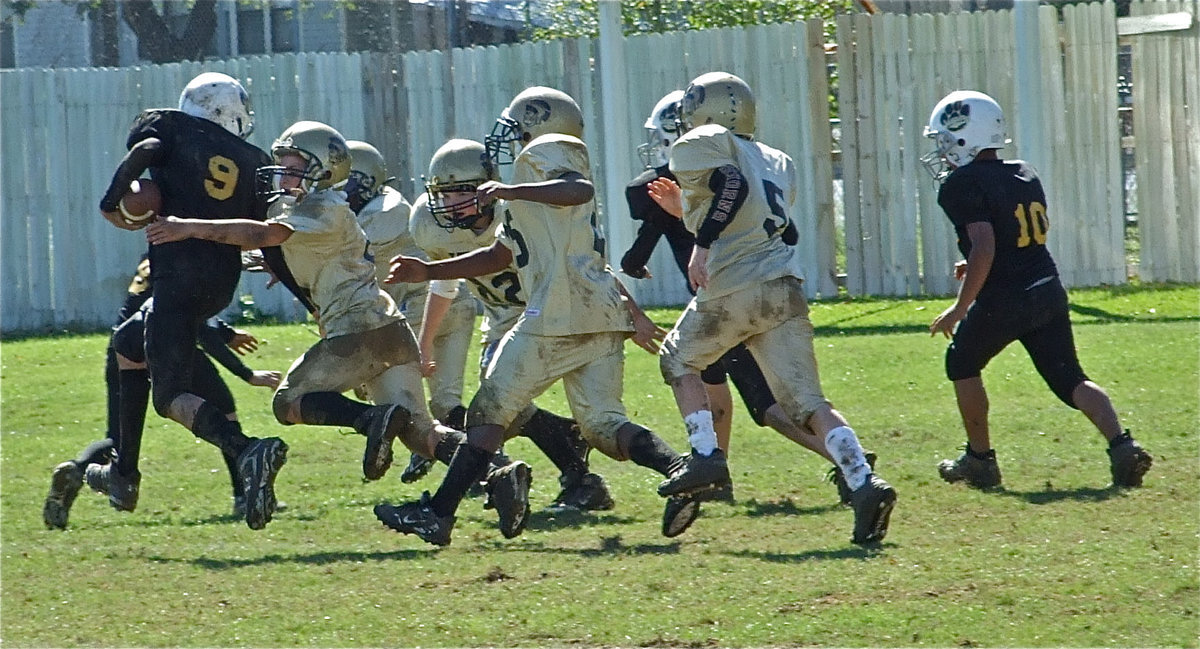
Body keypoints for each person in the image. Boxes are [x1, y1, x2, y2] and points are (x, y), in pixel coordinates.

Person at [376, 87, 707, 546]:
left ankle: (437, 513)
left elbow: (578, 188)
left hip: (554, 315)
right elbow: (501, 253)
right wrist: (430, 269)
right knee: (603, 426)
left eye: (518, 127)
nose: (511, 139)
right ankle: (682, 469)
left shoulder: (548, 155)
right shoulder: (524, 189)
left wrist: (513, 188)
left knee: (488, 409)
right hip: (596, 314)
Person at [143, 120, 514, 529]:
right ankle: (501, 474)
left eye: (292, 164)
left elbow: (261, 232)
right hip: (389, 329)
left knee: (287, 403)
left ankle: (369, 419)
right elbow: (293, 248)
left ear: (323, 168)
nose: (282, 173)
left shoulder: (322, 206)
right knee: (422, 434)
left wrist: (186, 227)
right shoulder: (316, 208)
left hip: (359, 331)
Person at [655, 71, 896, 546]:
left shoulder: (706, 142)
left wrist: (701, 245)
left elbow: (729, 188)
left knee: (677, 358)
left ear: (706, 112)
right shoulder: (774, 158)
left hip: (734, 284)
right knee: (808, 403)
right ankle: (864, 483)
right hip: (783, 285)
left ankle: (705, 455)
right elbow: (787, 231)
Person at [922, 90, 1152, 489]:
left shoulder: (960, 184)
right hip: (1046, 286)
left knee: (960, 362)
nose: (941, 151)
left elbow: (985, 244)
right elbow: (1015, 236)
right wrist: (976, 261)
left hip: (1006, 298)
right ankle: (1122, 446)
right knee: (1070, 379)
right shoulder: (1023, 171)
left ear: (964, 137)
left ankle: (980, 460)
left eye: (944, 140)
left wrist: (960, 307)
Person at [96, 72, 289, 530]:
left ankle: (246, 450)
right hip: (220, 281)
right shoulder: (251, 158)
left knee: (168, 398)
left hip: (179, 279)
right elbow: (264, 233)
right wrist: (291, 281)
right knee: (127, 344)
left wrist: (110, 202)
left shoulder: (172, 129)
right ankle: (124, 473)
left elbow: (144, 153)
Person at [406, 137, 613, 512]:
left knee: (498, 401)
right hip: (501, 318)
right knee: (500, 403)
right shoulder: (429, 223)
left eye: (459, 193)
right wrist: (425, 340)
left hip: (547, 310)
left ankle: (568, 469)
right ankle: (569, 457)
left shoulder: (521, 210)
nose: (449, 204)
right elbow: (445, 282)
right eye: (443, 194)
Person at [43, 258, 280, 528]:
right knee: (223, 409)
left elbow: (172, 306)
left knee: (120, 441)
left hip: (122, 347)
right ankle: (245, 494)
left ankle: (78, 468)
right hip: (164, 345)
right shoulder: (187, 255)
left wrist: (224, 332)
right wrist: (246, 374)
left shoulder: (161, 251)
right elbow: (189, 319)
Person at [343, 139, 477, 482]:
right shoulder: (381, 207)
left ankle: (425, 446)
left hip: (424, 306)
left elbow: (349, 254)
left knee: (385, 386)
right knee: (446, 402)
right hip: (453, 302)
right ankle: (478, 462)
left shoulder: (384, 210)